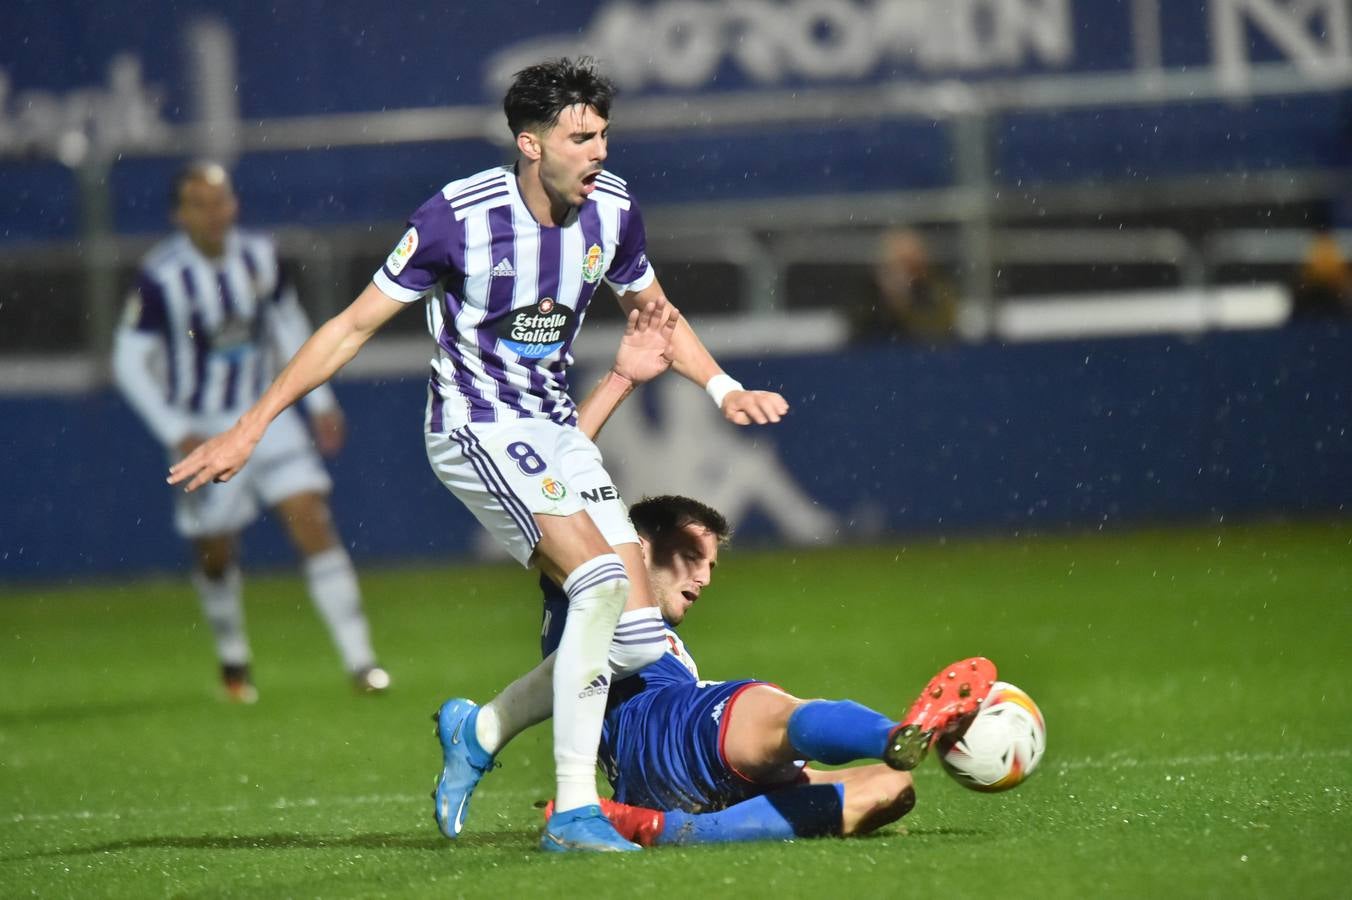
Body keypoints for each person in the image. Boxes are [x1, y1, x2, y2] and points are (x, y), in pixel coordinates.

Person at [167, 58, 789, 853]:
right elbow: (351, 326)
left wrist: (720, 386)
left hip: (554, 425)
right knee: (598, 583)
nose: (599, 149)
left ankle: (481, 731)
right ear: (530, 144)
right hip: (475, 427)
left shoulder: (616, 210)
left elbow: (655, 312)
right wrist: (251, 426)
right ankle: (574, 814)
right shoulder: (457, 217)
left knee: (633, 637)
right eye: (581, 136)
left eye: (603, 133)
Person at [442, 308, 996, 847]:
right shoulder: (589, 571)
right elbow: (555, 464)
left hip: (653, 780)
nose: (703, 577)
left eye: (711, 565)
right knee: (778, 711)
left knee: (890, 790)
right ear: (639, 545)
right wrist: (618, 381)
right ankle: (897, 734)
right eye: (689, 555)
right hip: (666, 726)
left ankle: (668, 827)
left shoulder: (638, 629)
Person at [112, 162, 389, 702]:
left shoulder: (260, 257)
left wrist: (321, 401)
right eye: (200, 203)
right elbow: (128, 360)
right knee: (215, 553)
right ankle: (234, 663)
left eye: (221, 200)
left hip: (268, 420)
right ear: (179, 214)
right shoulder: (160, 276)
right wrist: (175, 427)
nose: (214, 212)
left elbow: (290, 327)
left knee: (312, 520)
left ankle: (363, 664)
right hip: (206, 430)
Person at [849, 228, 960, 346]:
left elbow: (942, 325)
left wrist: (903, 301)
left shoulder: (934, 288)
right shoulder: (868, 292)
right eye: (897, 263)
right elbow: (857, 329)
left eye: (910, 264)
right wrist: (889, 296)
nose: (903, 271)